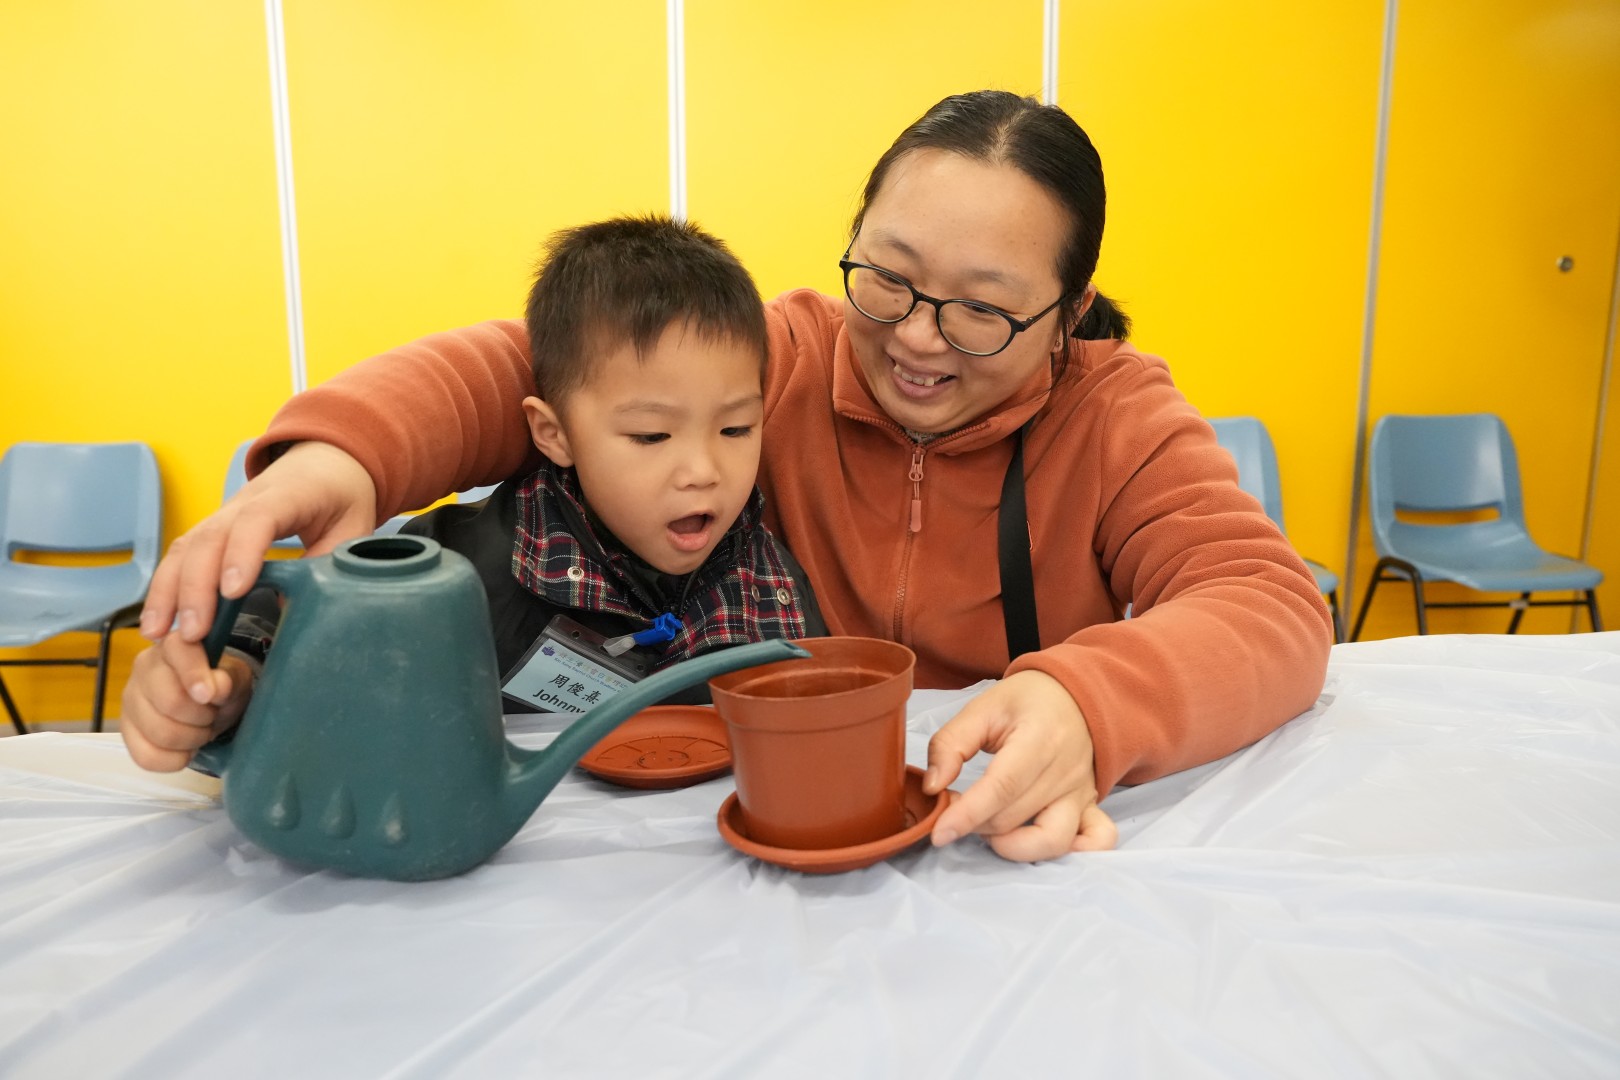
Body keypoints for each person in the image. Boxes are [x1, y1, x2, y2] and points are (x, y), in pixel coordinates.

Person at [136, 90, 1334, 862]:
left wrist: (1087, 703)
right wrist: (342, 454)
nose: (918, 338)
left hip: (992, 838)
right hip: (753, 834)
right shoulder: (785, 353)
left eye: (983, 309)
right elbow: (543, 363)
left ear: (1068, 314)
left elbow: (1268, 603)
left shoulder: (1117, 414)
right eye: (889, 276)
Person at [120, 215, 826, 759]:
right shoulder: (464, 569)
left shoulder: (773, 584)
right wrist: (229, 683)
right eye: (650, 436)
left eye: (736, 429)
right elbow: (298, 629)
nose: (704, 469)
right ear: (554, 434)